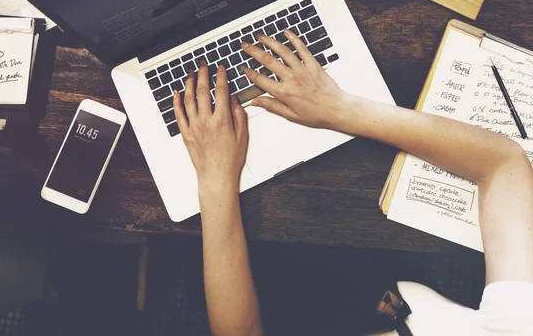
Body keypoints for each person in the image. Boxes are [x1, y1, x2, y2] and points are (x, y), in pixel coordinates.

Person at [172, 28, 533, 336]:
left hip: (295, 305)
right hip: (380, 289)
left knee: (187, 257)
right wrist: (340, 110)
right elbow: (504, 164)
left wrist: (215, 179)